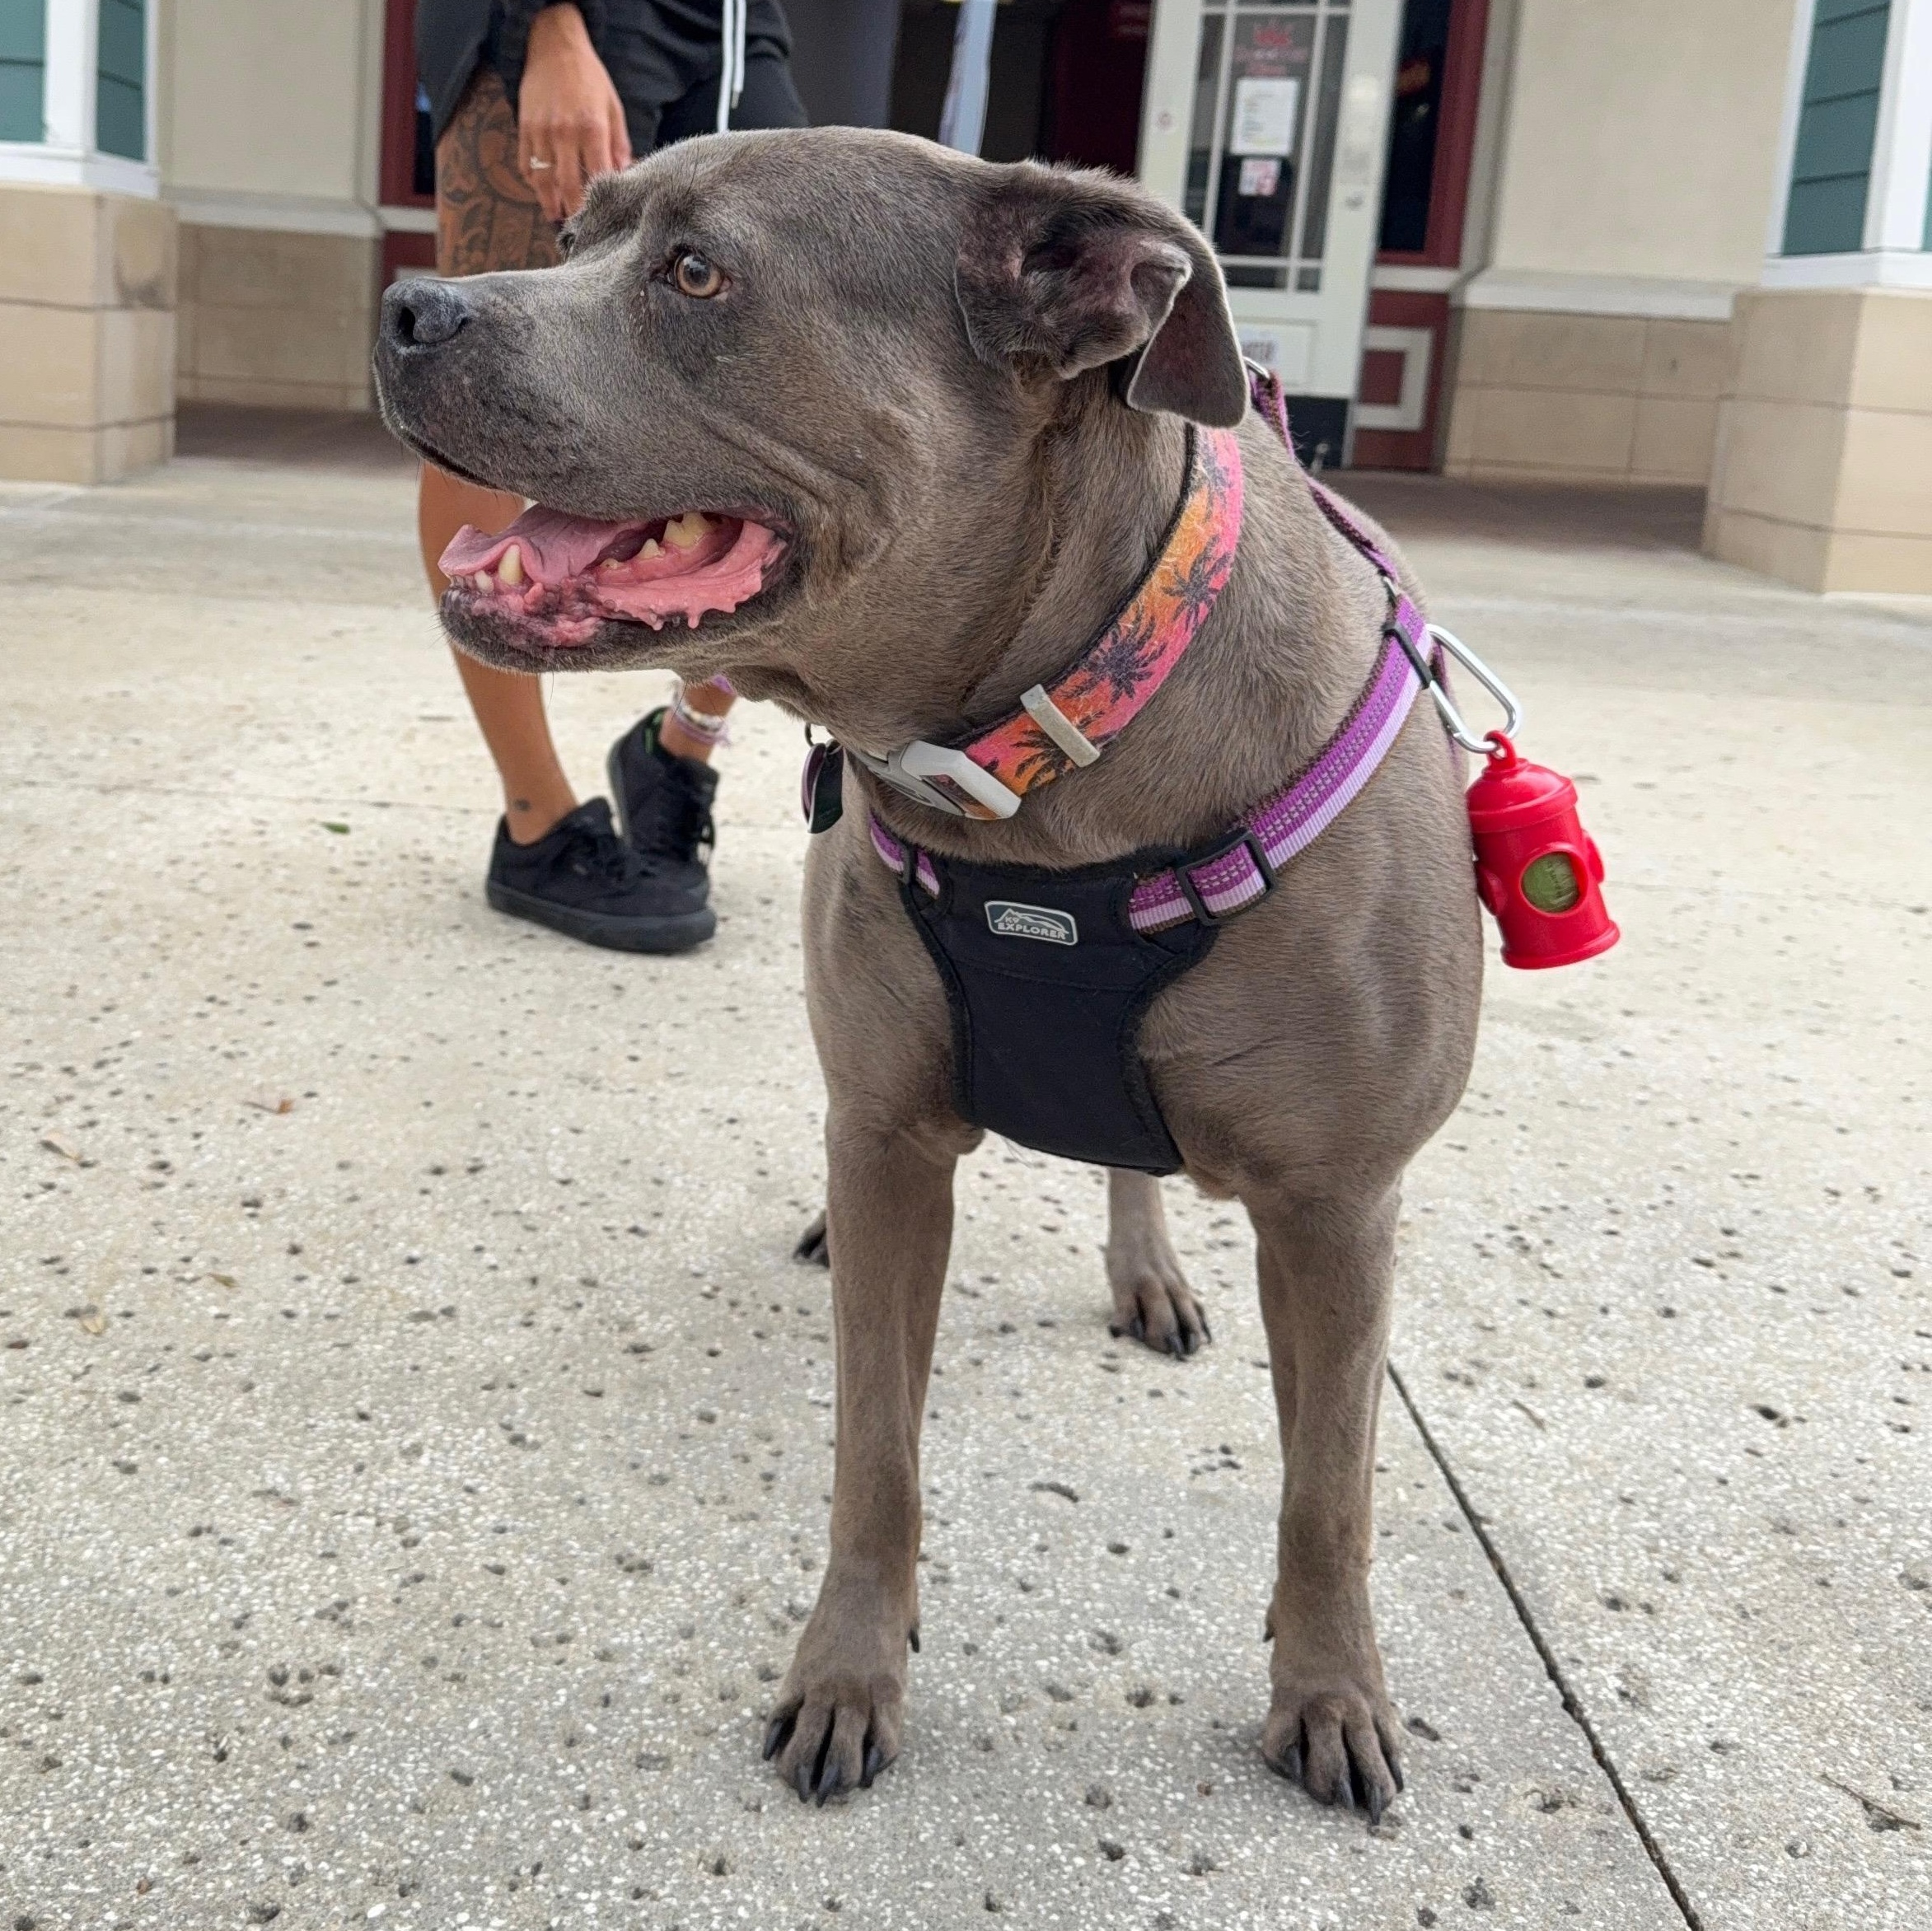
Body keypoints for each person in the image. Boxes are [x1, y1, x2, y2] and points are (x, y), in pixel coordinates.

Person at [414, 1, 806, 951]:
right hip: (572, 19)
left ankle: (676, 749)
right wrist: (548, 24)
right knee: (481, 387)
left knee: (770, 422)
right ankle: (536, 824)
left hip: (736, 25)